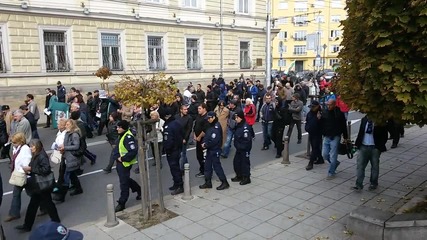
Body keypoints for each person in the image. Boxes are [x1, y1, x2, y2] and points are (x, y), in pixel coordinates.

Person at [15, 139, 60, 232]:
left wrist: (31, 169)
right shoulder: (36, 154)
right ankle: (27, 225)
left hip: (42, 185)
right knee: (35, 205)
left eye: (32, 146)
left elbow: (45, 169)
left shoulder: (41, 156)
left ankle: (55, 221)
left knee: (46, 204)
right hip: (38, 185)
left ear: (37, 146)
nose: (31, 148)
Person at [352, 116, 388, 191]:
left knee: (375, 166)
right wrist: (357, 144)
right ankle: (359, 184)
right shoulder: (364, 120)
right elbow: (360, 132)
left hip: (375, 147)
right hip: (363, 146)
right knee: (360, 165)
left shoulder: (380, 121)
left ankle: (373, 183)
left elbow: (384, 135)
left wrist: (380, 147)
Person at [114, 120, 141, 212]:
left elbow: (133, 151)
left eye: (119, 127)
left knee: (124, 183)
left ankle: (122, 202)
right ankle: (138, 189)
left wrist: (123, 159)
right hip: (120, 162)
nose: (117, 128)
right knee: (125, 179)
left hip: (124, 163)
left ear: (124, 128)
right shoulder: (122, 135)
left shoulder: (128, 137)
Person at [4, 132, 32, 222]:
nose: (13, 144)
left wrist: (21, 170)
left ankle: (45, 206)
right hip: (19, 175)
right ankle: (14, 213)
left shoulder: (25, 149)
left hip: (24, 175)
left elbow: (27, 162)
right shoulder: (16, 148)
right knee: (17, 194)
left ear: (20, 141)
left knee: (32, 193)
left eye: (15, 142)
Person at [199, 111, 229, 190]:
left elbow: (214, 140)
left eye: (209, 118)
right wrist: (204, 142)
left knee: (217, 167)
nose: (208, 120)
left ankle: (224, 182)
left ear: (213, 118)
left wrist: (205, 145)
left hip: (215, 150)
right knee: (207, 166)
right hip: (210, 150)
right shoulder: (210, 125)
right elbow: (207, 135)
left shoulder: (216, 127)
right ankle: (208, 182)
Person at [320, 99, 348, 179]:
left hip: (335, 136)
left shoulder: (339, 114)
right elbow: (322, 123)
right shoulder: (325, 112)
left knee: (333, 156)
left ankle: (331, 172)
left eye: (330, 105)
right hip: (326, 136)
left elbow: (343, 126)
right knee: (324, 155)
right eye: (327, 104)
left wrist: (345, 137)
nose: (328, 106)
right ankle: (335, 163)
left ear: (334, 105)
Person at [58, 119, 84, 196]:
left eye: (68, 124)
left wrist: (65, 147)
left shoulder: (74, 134)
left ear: (72, 125)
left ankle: (62, 195)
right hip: (68, 157)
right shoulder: (68, 133)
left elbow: (76, 146)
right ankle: (78, 189)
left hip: (72, 158)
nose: (66, 126)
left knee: (66, 175)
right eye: (66, 124)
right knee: (72, 175)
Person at [163, 109, 184, 195]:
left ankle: (179, 185)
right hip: (177, 148)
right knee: (175, 168)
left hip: (172, 150)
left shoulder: (169, 126)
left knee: (174, 168)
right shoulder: (177, 123)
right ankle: (176, 183)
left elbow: (168, 140)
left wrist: (167, 149)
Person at [232, 110, 252, 185]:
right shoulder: (238, 125)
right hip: (239, 148)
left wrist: (241, 147)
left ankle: (246, 178)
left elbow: (247, 141)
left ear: (241, 118)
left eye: (237, 117)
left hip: (244, 149)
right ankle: (239, 175)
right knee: (236, 162)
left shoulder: (245, 127)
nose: (236, 119)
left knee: (244, 163)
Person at [305, 100, 324, 170]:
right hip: (311, 132)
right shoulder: (310, 113)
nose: (312, 108)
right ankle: (320, 159)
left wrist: (319, 119)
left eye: (313, 107)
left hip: (317, 133)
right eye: (311, 107)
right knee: (314, 147)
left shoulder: (320, 113)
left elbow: (323, 124)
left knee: (315, 147)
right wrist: (307, 128)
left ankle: (311, 162)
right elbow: (307, 121)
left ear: (317, 106)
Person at [175, 105, 192, 172]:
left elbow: (189, 129)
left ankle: (181, 169)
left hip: (184, 137)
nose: (186, 111)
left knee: (183, 153)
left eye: (186, 109)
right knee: (180, 153)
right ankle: (186, 164)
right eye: (184, 109)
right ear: (181, 110)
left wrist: (185, 138)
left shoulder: (189, 118)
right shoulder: (176, 117)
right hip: (177, 137)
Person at [193, 103, 209, 177]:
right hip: (198, 139)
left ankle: (205, 171)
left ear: (204, 109)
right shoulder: (198, 116)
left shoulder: (206, 117)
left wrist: (199, 136)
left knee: (203, 156)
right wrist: (194, 134)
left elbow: (205, 130)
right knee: (199, 156)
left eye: (200, 108)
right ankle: (202, 169)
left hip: (203, 140)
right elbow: (195, 125)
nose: (198, 110)